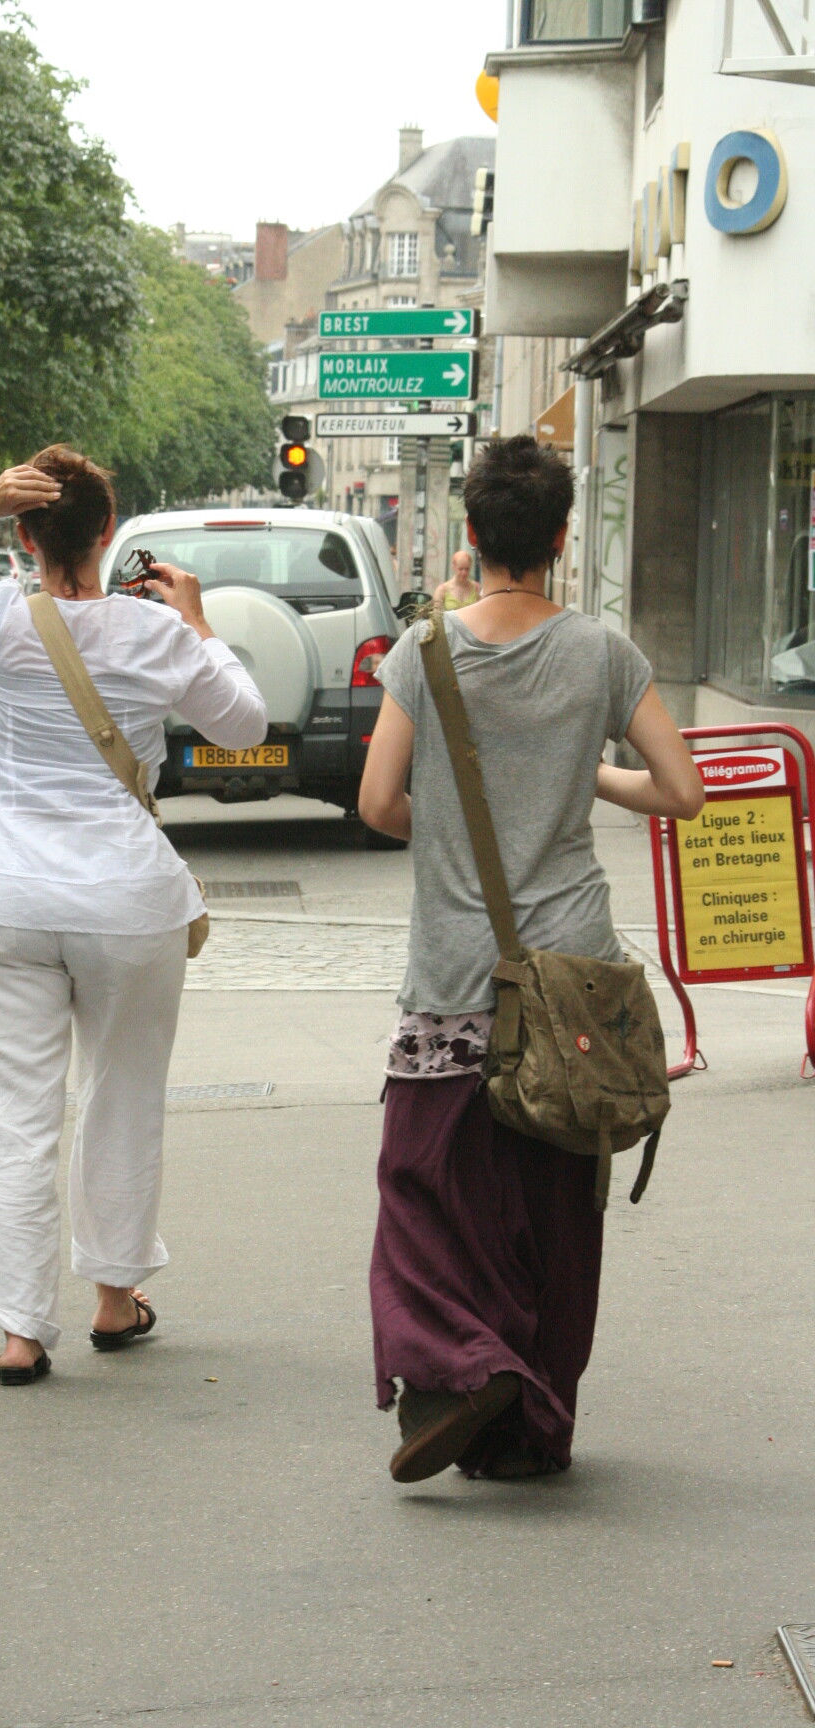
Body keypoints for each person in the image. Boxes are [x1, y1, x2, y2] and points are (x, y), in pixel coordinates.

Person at [358, 435, 703, 1483]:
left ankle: (470, 1363)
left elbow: (378, 803)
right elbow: (681, 791)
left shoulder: (424, 652)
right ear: (560, 538)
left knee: (425, 1195)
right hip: (573, 988)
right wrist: (578, 774)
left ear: (471, 535)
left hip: (456, 981)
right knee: (556, 1214)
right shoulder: (603, 653)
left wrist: (452, 832)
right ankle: (533, 1430)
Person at [0, 447, 267, 1386]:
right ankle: (112, 1295)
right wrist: (199, 622)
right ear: (109, 533)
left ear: (23, 536)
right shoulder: (158, 633)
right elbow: (245, 726)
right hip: (124, 903)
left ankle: (19, 1330)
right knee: (123, 1097)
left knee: (5, 1116)